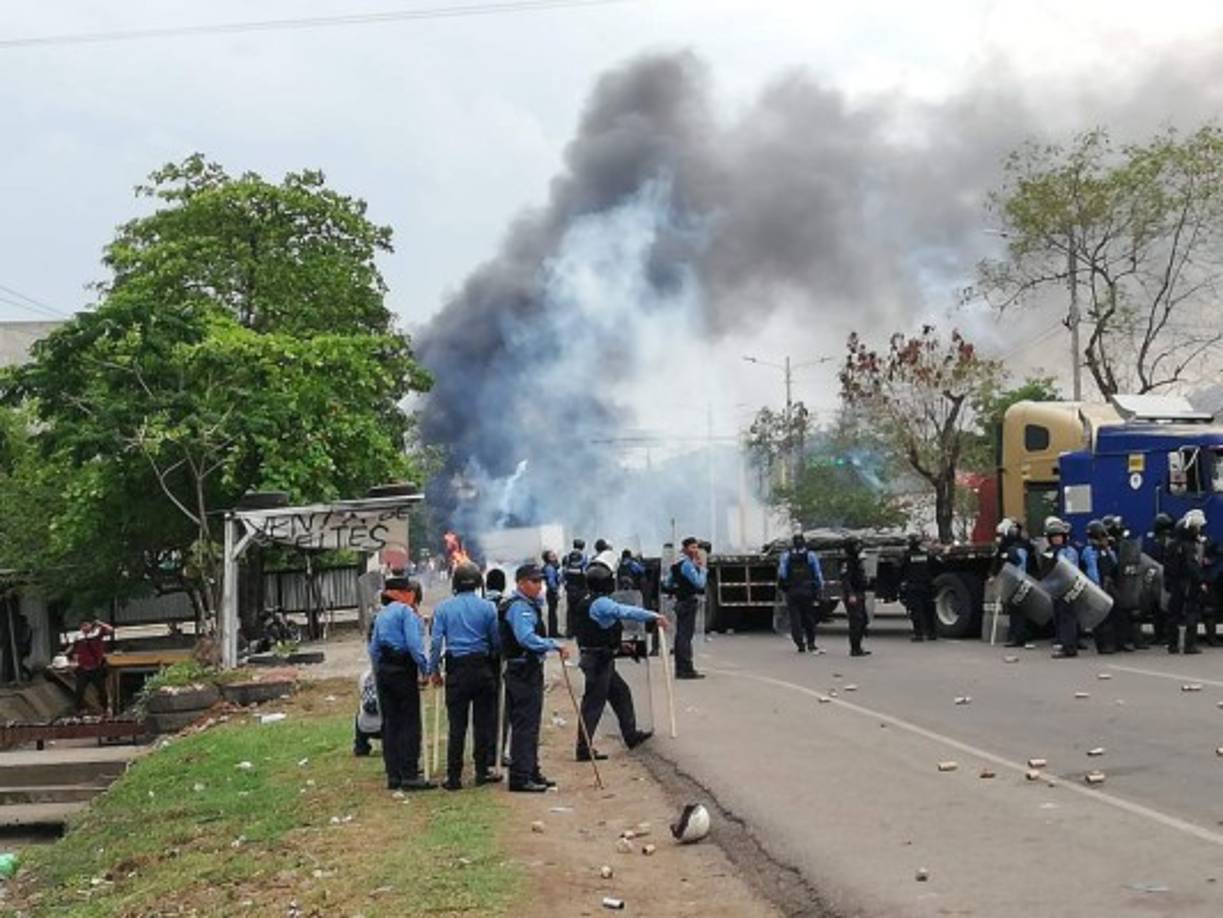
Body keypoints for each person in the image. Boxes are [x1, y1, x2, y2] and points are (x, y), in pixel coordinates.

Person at [572, 559, 666, 761]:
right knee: (593, 704)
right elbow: (626, 611)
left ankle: (630, 735)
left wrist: (620, 645)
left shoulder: (586, 600)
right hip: (598, 661)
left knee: (621, 694)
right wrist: (653, 616)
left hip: (596, 657)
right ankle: (583, 748)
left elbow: (597, 632)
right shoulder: (602, 603)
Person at [430, 562, 501, 790]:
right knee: (483, 723)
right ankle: (481, 771)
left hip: (456, 670)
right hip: (482, 667)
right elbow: (495, 640)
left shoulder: (443, 609)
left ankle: (454, 777)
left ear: (455, 583)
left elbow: (436, 643)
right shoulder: (488, 608)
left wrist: (434, 670)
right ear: (479, 583)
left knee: (456, 726)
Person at [500, 562, 570, 792]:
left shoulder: (528, 605)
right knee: (525, 724)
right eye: (534, 581)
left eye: (540, 581)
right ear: (521, 583)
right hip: (522, 670)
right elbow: (526, 638)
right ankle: (520, 777)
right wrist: (553, 645)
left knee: (531, 723)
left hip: (527, 669)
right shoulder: (519, 608)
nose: (539, 585)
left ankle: (531, 771)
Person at [368, 576, 434, 791]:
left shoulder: (381, 615)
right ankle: (409, 773)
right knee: (409, 722)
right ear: (405, 593)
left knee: (390, 723)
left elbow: (374, 649)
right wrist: (425, 669)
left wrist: (379, 672)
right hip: (403, 669)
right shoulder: (405, 612)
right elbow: (414, 646)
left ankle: (393, 775)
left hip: (384, 670)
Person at [1165, 509, 1209, 655]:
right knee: (1191, 612)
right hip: (1188, 583)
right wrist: (1201, 581)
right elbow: (1192, 566)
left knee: (1174, 614)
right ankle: (1190, 645)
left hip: (1175, 583)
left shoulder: (1172, 545)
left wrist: (1168, 583)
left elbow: (1167, 566)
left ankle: (1173, 645)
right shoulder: (1189, 546)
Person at [778, 533, 825, 653]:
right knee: (809, 617)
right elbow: (817, 573)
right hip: (807, 590)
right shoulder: (811, 555)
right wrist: (820, 588)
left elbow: (782, 574)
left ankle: (800, 643)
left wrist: (783, 588)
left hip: (792, 591)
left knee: (795, 619)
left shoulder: (786, 555)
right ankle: (811, 643)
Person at [1043, 517, 1081, 659]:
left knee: (1067, 618)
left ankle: (1069, 646)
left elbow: (1070, 568)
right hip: (1055, 590)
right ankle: (1062, 643)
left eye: (1059, 536)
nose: (1056, 539)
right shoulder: (1048, 551)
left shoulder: (1069, 551)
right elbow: (1045, 570)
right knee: (1058, 617)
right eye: (1054, 537)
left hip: (1068, 588)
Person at [671, 537, 707, 679]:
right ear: (685, 549)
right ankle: (686, 669)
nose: (696, 550)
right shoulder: (687, 565)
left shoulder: (677, 565)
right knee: (685, 636)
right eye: (693, 547)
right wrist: (702, 569)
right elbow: (699, 583)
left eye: (696, 547)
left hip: (680, 601)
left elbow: (668, 583)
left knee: (681, 635)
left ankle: (680, 668)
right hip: (687, 602)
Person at [1081, 519, 1119, 654]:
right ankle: (1103, 645)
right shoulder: (1089, 551)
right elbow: (1092, 569)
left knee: (1112, 616)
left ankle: (1113, 642)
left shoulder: (1107, 550)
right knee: (1101, 617)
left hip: (1109, 585)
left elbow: (1115, 564)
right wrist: (1098, 586)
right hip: (1098, 587)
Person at [996, 519, 1033, 648]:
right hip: (1025, 580)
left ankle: (1016, 637)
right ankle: (1020, 635)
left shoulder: (1011, 550)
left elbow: (1005, 565)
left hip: (1016, 582)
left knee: (1015, 611)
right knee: (1021, 610)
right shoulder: (1026, 546)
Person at [899, 532, 938, 643]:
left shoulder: (906, 556)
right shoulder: (926, 555)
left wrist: (901, 583)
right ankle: (931, 633)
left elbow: (900, 570)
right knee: (929, 610)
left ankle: (918, 634)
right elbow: (935, 567)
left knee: (916, 611)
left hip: (913, 587)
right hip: (927, 586)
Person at [70, 617, 114, 713]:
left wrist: (100, 623)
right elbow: (75, 651)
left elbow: (111, 629)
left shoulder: (97, 633)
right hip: (83, 668)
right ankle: (78, 710)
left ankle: (105, 708)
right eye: (82, 625)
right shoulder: (78, 637)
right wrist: (75, 662)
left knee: (102, 690)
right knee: (79, 690)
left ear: (91, 625)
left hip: (96, 667)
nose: (84, 627)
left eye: (86, 625)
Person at [841, 538, 870, 657]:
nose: (859, 547)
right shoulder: (847, 562)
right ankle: (854, 648)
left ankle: (859, 647)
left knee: (863, 620)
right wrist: (851, 594)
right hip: (853, 595)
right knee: (856, 622)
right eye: (856, 545)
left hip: (860, 593)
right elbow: (846, 580)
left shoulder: (857, 560)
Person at [562, 540, 589, 638]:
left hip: (570, 587)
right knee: (581, 609)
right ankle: (580, 631)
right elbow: (587, 571)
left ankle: (570, 631)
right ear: (583, 546)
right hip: (581, 587)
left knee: (571, 610)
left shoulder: (567, 556)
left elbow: (564, 571)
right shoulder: (585, 556)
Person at [541, 550, 562, 637]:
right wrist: (556, 591)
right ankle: (553, 632)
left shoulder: (550, 567)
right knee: (552, 612)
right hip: (552, 592)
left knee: (552, 611)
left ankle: (553, 631)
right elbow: (551, 581)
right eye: (552, 556)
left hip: (550, 591)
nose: (554, 557)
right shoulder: (550, 568)